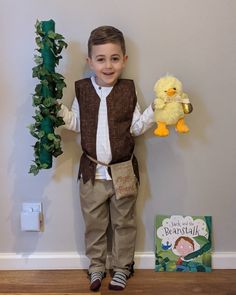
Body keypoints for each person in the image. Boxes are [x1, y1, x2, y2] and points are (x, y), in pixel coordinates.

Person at [59, 25, 155, 291]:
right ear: (90, 61)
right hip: (92, 172)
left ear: (124, 60)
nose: (108, 65)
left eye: (114, 58)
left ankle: (123, 268)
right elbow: (76, 123)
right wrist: (57, 109)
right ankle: (97, 267)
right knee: (94, 224)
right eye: (100, 59)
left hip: (123, 172)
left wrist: (154, 112)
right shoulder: (82, 90)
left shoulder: (128, 90)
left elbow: (135, 128)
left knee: (125, 222)